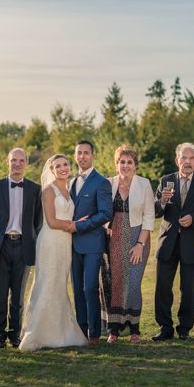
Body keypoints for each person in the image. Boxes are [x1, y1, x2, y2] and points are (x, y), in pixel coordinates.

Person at [19, 155, 88, 351]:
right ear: (52, 170)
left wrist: (80, 221)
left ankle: (60, 330)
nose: (63, 168)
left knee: (59, 283)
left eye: (65, 164)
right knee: (47, 282)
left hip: (65, 242)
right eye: (58, 166)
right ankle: (38, 333)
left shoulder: (70, 189)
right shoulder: (48, 191)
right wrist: (77, 224)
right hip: (50, 241)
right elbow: (51, 221)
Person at [152, 143, 194, 342]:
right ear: (177, 160)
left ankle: (185, 329)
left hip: (192, 243)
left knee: (189, 289)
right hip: (167, 242)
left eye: (192, 158)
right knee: (162, 287)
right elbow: (156, 211)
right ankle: (165, 327)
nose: (187, 162)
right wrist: (162, 201)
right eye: (184, 158)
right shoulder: (166, 180)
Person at [0, 148, 43, 350]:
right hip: (1, 246)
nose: (17, 164)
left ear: (26, 163)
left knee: (17, 295)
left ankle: (15, 334)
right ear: (7, 162)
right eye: (13, 160)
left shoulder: (35, 189)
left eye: (21, 160)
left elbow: (37, 223)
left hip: (24, 246)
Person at [101, 145, 155, 344]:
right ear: (116, 164)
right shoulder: (108, 183)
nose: (125, 165)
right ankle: (114, 329)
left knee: (133, 283)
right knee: (116, 282)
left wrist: (140, 243)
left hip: (137, 236)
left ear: (135, 165)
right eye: (121, 162)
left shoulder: (144, 184)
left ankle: (134, 328)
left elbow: (149, 215)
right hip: (114, 236)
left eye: (129, 162)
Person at [68, 140, 113, 345]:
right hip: (72, 245)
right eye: (79, 153)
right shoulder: (70, 182)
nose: (82, 156)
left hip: (93, 244)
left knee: (90, 288)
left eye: (86, 153)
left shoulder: (101, 182)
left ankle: (94, 333)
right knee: (77, 289)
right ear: (75, 156)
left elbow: (105, 213)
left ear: (93, 155)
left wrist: (79, 226)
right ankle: (81, 330)